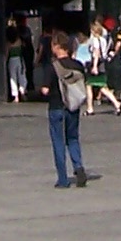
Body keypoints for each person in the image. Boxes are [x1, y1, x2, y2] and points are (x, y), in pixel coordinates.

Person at [37, 29, 90, 188]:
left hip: (57, 107)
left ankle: (63, 179)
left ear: (56, 46)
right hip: (73, 106)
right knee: (73, 138)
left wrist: (42, 90)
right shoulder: (78, 66)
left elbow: (45, 89)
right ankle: (78, 167)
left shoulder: (53, 66)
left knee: (58, 142)